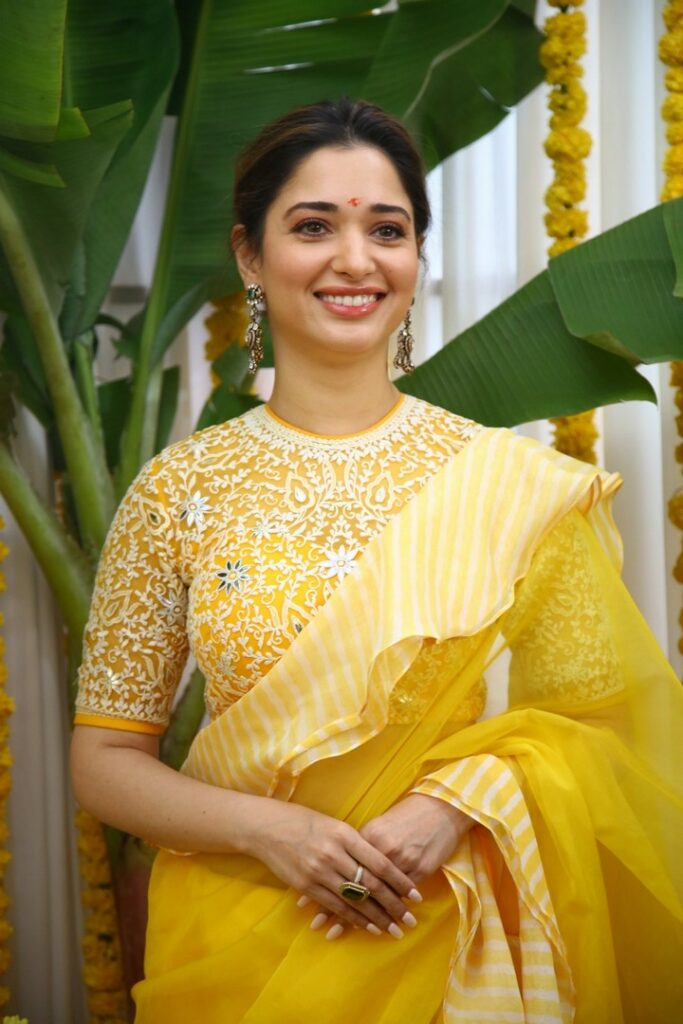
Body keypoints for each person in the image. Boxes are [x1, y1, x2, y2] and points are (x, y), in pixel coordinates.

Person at [70, 98, 683, 1023]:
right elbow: (107, 756)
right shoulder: (179, 490)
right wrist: (274, 832)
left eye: (386, 230)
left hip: (450, 933)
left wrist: (454, 805)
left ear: (416, 256)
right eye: (313, 226)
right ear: (249, 255)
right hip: (234, 945)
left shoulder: (510, 484)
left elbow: (600, 731)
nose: (355, 259)